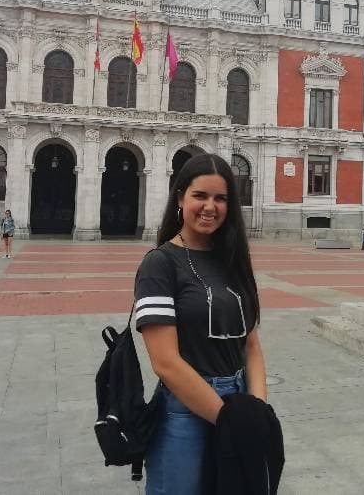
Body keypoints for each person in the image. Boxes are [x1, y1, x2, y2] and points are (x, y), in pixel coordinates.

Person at [134, 153, 267, 494]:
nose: (211, 206)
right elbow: (165, 362)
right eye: (200, 196)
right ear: (180, 198)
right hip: (184, 412)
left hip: (238, 401)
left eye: (220, 198)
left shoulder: (232, 260)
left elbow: (250, 345)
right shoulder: (159, 264)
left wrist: (257, 413)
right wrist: (229, 422)